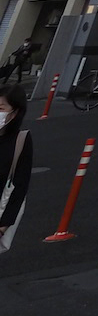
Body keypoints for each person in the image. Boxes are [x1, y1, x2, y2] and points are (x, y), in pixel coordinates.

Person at [0, 84, 32, 252]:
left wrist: (3, 227)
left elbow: (20, 185)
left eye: (0, 108)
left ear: (15, 112)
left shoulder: (21, 140)